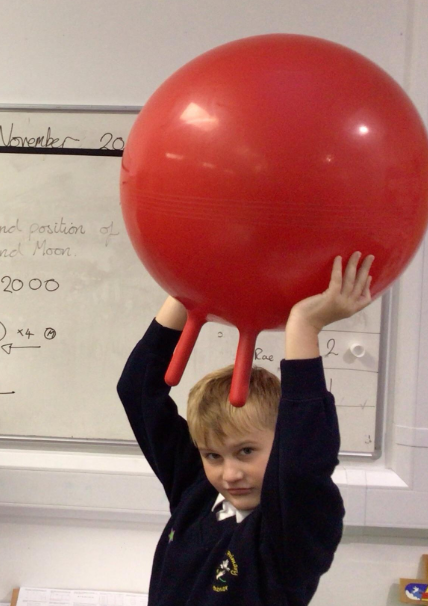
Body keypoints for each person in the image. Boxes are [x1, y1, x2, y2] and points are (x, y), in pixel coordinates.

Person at [117, 251, 375, 606]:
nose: (230, 473)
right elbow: (138, 391)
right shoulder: (197, 493)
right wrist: (185, 290)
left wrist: (304, 325)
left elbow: (302, 468)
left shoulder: (293, 532)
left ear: (282, 443)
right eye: (212, 456)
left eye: (246, 451)